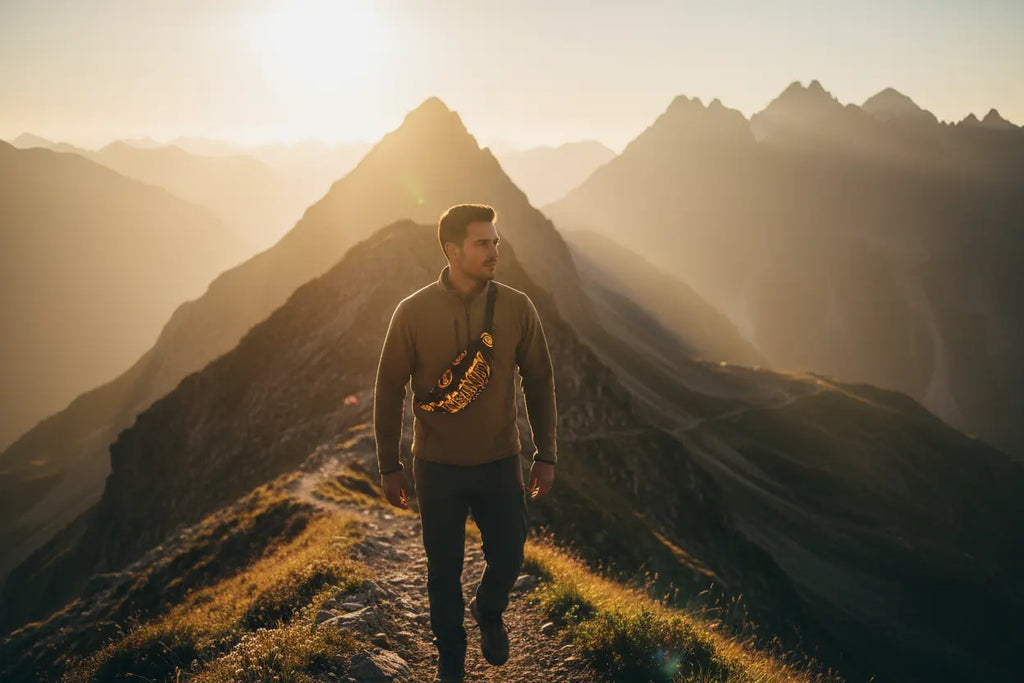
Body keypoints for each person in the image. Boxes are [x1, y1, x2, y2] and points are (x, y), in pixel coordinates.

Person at [373, 203, 557, 683]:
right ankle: (451, 658)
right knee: (443, 569)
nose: (495, 250)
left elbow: (539, 380)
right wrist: (389, 465)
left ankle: (489, 610)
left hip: (501, 461)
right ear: (453, 250)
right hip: (436, 466)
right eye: (483, 243)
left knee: (511, 553)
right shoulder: (411, 313)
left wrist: (546, 454)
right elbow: (389, 387)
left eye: (496, 241)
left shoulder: (518, 307)